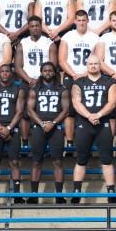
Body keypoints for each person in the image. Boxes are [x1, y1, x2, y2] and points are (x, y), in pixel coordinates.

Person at [71, 56, 116, 203]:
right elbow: (76, 102)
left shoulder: (109, 82)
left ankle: (111, 193)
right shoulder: (79, 82)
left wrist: (98, 114)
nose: (93, 66)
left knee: (107, 159)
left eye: (96, 64)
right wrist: (89, 116)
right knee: (81, 159)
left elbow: (112, 102)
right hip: (84, 124)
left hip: (102, 123)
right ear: (86, 65)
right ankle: (76, 193)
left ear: (100, 65)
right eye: (90, 64)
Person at [27, 62, 70, 203]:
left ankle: (59, 196)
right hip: (39, 128)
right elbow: (30, 110)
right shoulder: (35, 89)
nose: (47, 72)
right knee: (36, 162)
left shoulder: (62, 89)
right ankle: (34, 196)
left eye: (50, 70)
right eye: (45, 70)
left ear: (54, 72)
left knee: (58, 161)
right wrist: (42, 123)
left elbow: (65, 110)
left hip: (55, 128)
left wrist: (53, 123)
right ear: (41, 72)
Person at [0, 64, 25, 202]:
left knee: (14, 162)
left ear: (11, 73)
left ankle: (17, 195)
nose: (4, 73)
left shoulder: (18, 89)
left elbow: (20, 111)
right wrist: (1, 128)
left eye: (7, 71)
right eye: (2, 71)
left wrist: (8, 128)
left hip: (13, 129)